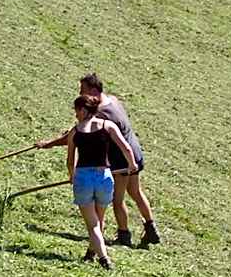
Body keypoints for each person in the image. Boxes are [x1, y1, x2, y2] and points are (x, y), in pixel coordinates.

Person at [37, 73, 161, 247]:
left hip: (121, 158)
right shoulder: (113, 100)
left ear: (94, 91)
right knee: (136, 191)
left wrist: (48, 144)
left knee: (118, 200)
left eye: (83, 91)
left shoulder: (101, 115)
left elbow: (75, 137)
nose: (80, 94)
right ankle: (151, 228)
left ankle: (124, 236)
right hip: (134, 152)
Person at [67, 95, 137, 270]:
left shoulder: (75, 131)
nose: (75, 115)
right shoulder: (108, 126)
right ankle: (91, 252)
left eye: (76, 111)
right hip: (104, 177)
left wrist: (71, 175)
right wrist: (132, 165)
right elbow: (126, 147)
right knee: (100, 218)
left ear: (83, 110)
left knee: (93, 224)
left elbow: (70, 160)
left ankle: (104, 258)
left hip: (83, 178)